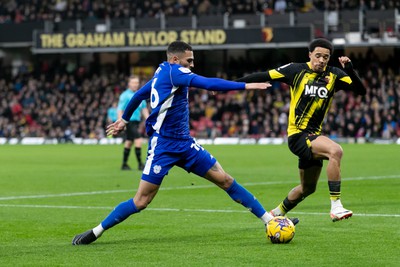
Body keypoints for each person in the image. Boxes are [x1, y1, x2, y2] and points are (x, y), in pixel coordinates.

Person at [72, 41, 298, 245]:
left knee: (225, 180)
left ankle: (270, 221)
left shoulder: (163, 71)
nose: (192, 65)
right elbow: (207, 83)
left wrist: (124, 118)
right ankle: (96, 231)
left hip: (186, 145)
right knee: (141, 201)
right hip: (163, 147)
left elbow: (140, 94)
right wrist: (246, 86)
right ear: (175, 59)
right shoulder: (175, 72)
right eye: (189, 61)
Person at [236, 38, 366, 222]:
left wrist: (350, 69)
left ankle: (276, 214)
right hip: (298, 135)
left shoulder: (335, 75)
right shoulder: (295, 70)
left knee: (308, 188)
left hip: (314, 136)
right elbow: (263, 75)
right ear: (310, 55)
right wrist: (232, 85)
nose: (321, 60)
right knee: (335, 150)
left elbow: (361, 91)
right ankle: (336, 206)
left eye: (326, 57)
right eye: (318, 56)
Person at [118, 75, 149, 171]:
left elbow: (144, 109)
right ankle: (140, 164)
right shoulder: (125, 95)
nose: (135, 84)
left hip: (136, 122)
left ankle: (124, 164)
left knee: (128, 142)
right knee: (138, 140)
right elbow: (120, 109)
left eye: (137, 82)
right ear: (129, 84)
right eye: (133, 82)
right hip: (128, 121)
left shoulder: (140, 94)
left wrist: (148, 120)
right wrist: (120, 122)